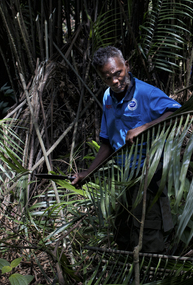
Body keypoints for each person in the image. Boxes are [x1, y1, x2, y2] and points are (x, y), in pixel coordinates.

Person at [72, 46, 181, 253]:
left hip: (149, 172)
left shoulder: (146, 93)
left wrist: (146, 127)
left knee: (148, 228)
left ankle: (153, 272)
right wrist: (88, 172)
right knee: (123, 229)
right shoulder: (108, 98)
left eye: (118, 73)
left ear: (127, 66)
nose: (115, 81)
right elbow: (107, 142)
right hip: (124, 176)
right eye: (108, 78)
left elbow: (178, 111)